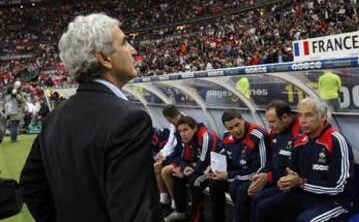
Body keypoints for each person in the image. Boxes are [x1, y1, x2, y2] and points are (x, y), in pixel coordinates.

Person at [19, 13, 161, 222]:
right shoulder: (130, 119)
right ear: (104, 58)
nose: (133, 49)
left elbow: (31, 184)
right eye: (124, 42)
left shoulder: (54, 118)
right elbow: (134, 213)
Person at [257, 97, 355, 221]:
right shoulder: (300, 140)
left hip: (334, 201)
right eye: (300, 115)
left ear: (323, 116)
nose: (302, 121)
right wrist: (286, 180)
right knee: (264, 208)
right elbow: (292, 173)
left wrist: (302, 183)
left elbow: (340, 187)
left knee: (305, 220)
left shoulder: (336, 141)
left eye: (308, 115)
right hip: (304, 195)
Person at [206, 109, 269, 222]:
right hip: (237, 174)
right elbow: (224, 153)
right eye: (230, 128)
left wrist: (229, 175)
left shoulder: (258, 135)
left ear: (242, 120)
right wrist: (213, 166)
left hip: (254, 176)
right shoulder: (227, 136)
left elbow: (261, 168)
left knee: (238, 188)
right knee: (214, 183)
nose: (235, 130)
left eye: (237, 125)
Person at [250, 100, 301, 222]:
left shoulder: (299, 134)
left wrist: (268, 177)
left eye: (273, 121)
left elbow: (294, 168)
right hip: (276, 178)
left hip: (292, 185)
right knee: (250, 193)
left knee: (263, 205)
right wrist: (261, 174)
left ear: (285, 117)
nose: (269, 126)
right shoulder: (275, 132)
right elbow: (273, 160)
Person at [165, 116, 220, 222]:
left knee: (195, 182)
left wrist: (187, 173)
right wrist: (184, 167)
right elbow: (183, 159)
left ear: (194, 128)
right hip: (199, 169)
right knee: (176, 175)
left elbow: (204, 161)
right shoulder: (188, 139)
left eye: (185, 130)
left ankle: (197, 219)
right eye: (180, 131)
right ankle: (181, 211)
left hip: (213, 170)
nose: (182, 133)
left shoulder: (206, 136)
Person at [153, 105, 184, 210]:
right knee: (157, 166)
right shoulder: (174, 125)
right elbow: (171, 142)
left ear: (168, 118)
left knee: (165, 171)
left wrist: (166, 155)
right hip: (176, 154)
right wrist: (162, 153)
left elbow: (181, 147)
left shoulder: (184, 123)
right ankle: (164, 198)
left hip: (182, 156)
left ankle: (174, 202)